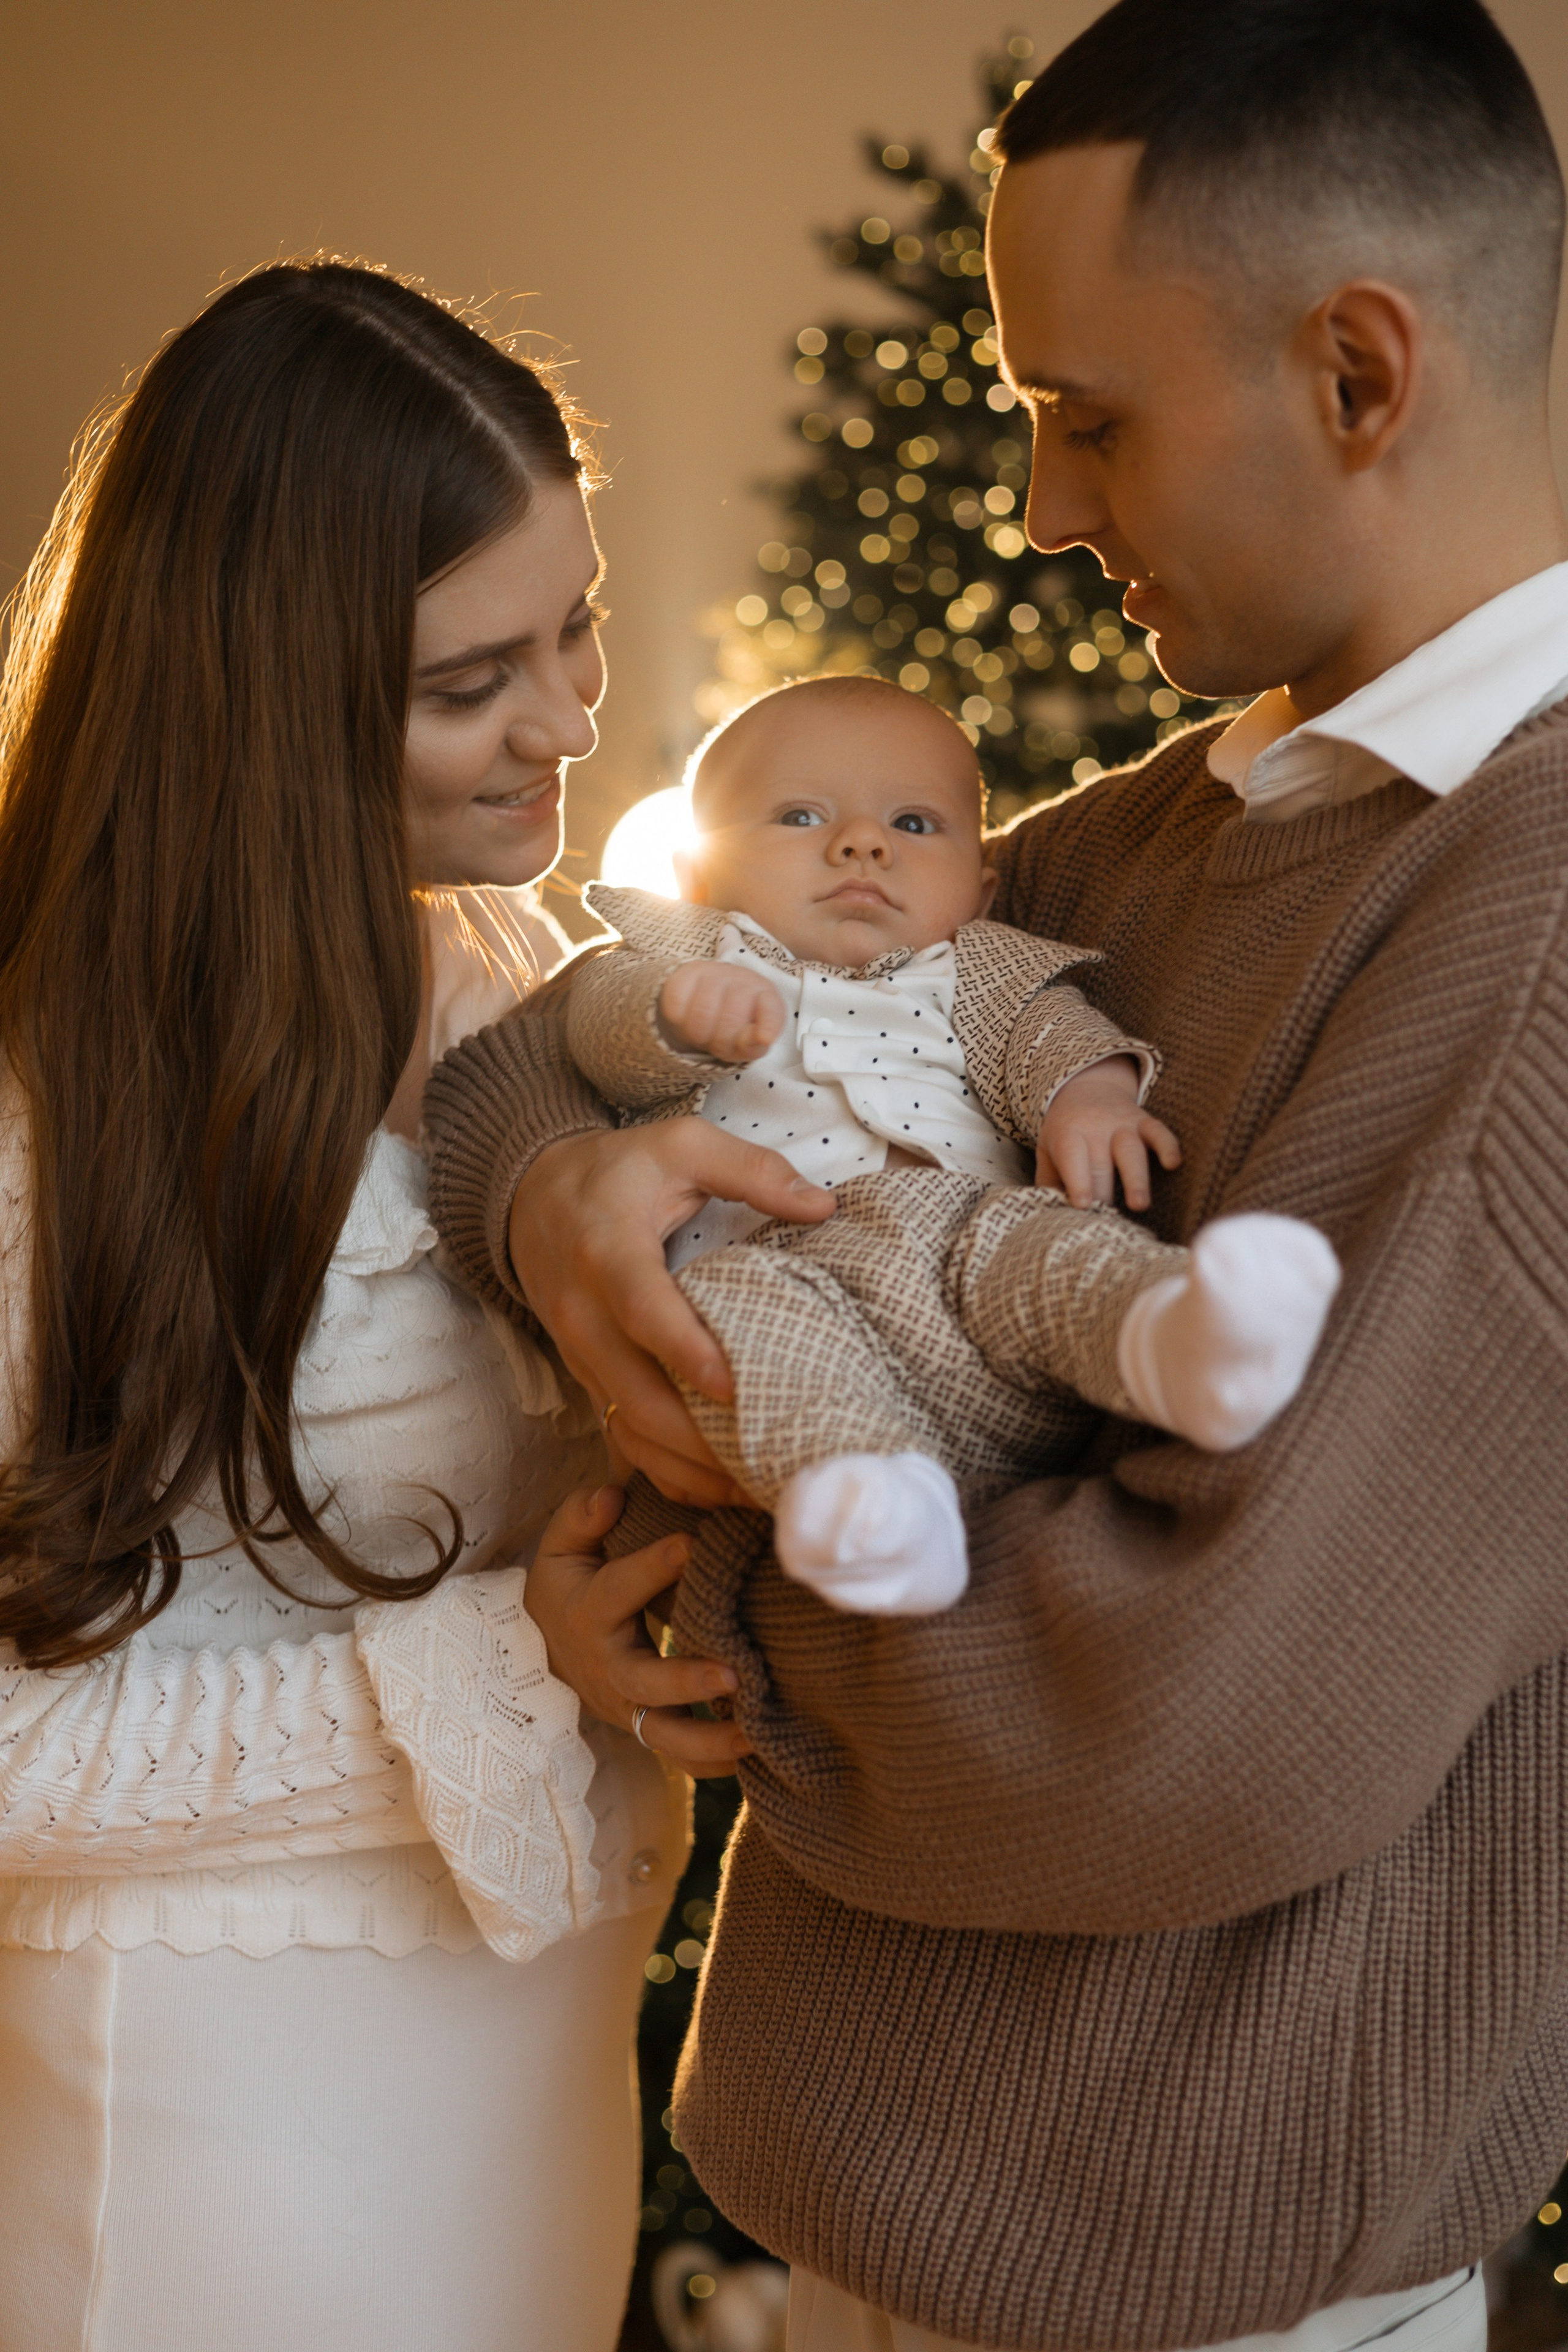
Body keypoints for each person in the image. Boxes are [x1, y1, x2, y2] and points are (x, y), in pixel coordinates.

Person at [424, 1, 1568, 2348]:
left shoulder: (1529, 926)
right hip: (895, 2216)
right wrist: (558, 1206)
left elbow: (1182, 1724)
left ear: (1360, 373)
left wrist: (710, 1578)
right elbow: (597, 1024)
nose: (1042, 506)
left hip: (1203, 2279)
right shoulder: (1174, 827)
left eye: (1088, 418)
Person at [0, 258, 720, 2352]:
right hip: (220, 2140)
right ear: (264, 691)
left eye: (576, 623)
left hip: (523, 2070)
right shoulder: (49, 1111)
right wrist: (506, 1668)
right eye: (473, 676)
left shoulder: (501, 961)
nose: (574, 715)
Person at [565, 673, 1340, 1615]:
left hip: (975, 1262)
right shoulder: (689, 960)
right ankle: (875, 1504)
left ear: (979, 887)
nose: (863, 843)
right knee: (726, 1316)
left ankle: (1180, 1340)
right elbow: (591, 1041)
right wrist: (671, 1014)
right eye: (801, 816)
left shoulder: (973, 965)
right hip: (788, 1277)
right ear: (695, 875)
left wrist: (1088, 1102)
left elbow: (1047, 1034)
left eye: (916, 825)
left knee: (1056, 1247)